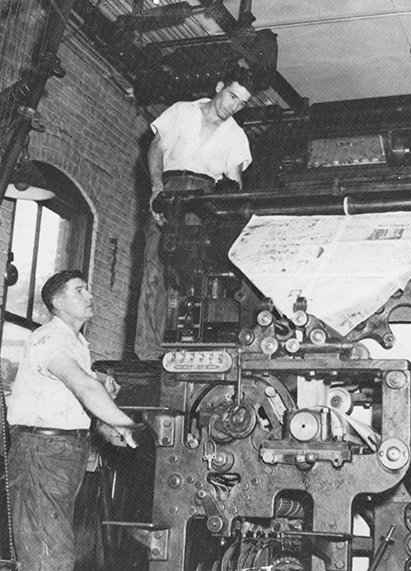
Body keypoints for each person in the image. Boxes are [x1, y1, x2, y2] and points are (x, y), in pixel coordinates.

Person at [6, 269, 139, 571]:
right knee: (50, 554)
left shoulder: (75, 342)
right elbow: (83, 386)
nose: (90, 295)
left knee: (54, 547)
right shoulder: (51, 337)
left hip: (61, 450)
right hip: (43, 450)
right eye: (80, 290)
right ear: (57, 301)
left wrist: (103, 410)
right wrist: (124, 424)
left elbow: (76, 395)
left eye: (88, 289)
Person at [135, 65, 255, 360]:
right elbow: (155, 149)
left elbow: (235, 180)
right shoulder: (181, 112)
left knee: (193, 274)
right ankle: (148, 352)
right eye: (231, 97)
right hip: (170, 189)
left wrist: (230, 216)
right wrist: (156, 190)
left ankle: (185, 349)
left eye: (241, 103)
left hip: (204, 198)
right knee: (155, 269)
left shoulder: (236, 135)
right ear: (218, 86)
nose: (234, 107)